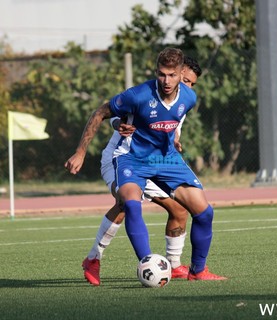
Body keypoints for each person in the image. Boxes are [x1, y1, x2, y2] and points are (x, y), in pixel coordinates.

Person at [65, 47, 227, 283]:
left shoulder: (188, 98)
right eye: (162, 74)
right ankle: (139, 263)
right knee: (128, 203)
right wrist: (80, 152)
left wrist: (175, 140)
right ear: (157, 72)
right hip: (129, 158)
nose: (167, 80)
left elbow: (171, 124)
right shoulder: (139, 95)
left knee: (201, 211)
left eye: (173, 75)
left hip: (164, 160)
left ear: (181, 74)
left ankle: (195, 270)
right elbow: (104, 112)